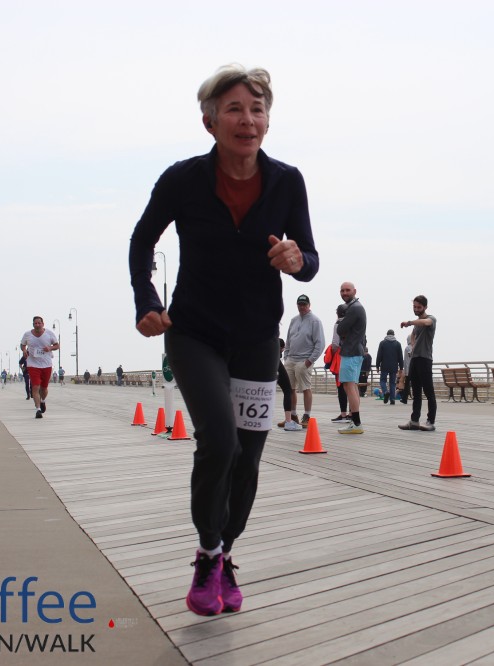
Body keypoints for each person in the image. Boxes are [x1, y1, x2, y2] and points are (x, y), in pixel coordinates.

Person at [129, 64, 319, 617]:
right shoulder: (182, 179)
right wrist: (147, 301)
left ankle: (226, 553)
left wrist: (297, 259)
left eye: (257, 110)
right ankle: (208, 554)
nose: (247, 119)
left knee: (248, 458)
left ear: (268, 122)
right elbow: (142, 241)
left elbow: (309, 259)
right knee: (219, 440)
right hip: (194, 334)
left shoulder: (287, 181)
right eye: (234, 109)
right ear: (209, 121)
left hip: (257, 340)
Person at [283, 294, 325, 428]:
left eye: (304, 304)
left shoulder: (315, 321)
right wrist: (286, 356)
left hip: (304, 360)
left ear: (309, 305)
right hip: (291, 359)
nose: (302, 307)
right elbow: (289, 340)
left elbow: (320, 343)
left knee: (306, 388)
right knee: (290, 389)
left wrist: (310, 361)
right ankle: (292, 416)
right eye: (300, 304)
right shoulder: (293, 320)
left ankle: (307, 416)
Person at [399, 295, 437, 431]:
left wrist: (409, 322)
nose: (416, 309)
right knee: (416, 392)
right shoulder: (417, 324)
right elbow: (413, 334)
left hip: (425, 359)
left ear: (425, 307)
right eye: (414, 307)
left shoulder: (431, 319)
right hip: (414, 359)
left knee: (428, 391)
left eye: (419, 307)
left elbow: (425, 322)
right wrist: (413, 346)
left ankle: (430, 421)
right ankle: (414, 421)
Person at [335, 282, 367, 434]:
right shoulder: (356, 307)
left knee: (348, 386)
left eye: (347, 290)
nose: (344, 293)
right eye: (342, 290)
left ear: (355, 291)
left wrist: (341, 320)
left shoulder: (354, 308)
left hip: (351, 351)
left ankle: (356, 423)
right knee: (352, 386)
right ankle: (355, 422)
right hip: (356, 350)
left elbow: (340, 329)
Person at [20, 315, 60, 419]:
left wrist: (50, 348)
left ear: (43, 324)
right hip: (33, 364)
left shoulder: (49, 333)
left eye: (39, 323)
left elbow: (57, 345)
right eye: (35, 323)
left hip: (46, 365)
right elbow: (22, 344)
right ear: (33, 324)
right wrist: (24, 350)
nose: (37, 325)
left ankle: (43, 401)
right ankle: (38, 410)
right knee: (35, 387)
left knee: (44, 388)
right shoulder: (27, 334)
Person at [326, 303, 350, 422]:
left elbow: (335, 344)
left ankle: (343, 414)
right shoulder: (353, 323)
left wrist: (334, 353)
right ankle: (352, 413)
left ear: (337, 313)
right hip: (353, 355)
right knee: (352, 386)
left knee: (341, 386)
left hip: (340, 357)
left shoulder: (338, 324)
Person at [276, 339, 301, 431]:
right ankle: (288, 421)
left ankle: (262, 421)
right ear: (282, 348)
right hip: (272, 358)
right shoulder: (275, 346)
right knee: (288, 390)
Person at [375, 329, 403, 405]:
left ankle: (385, 392)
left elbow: (379, 355)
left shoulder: (382, 343)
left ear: (387, 334)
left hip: (384, 366)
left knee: (382, 380)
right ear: (394, 335)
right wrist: (401, 368)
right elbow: (400, 357)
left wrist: (377, 365)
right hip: (394, 366)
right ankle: (392, 399)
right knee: (392, 383)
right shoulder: (398, 344)